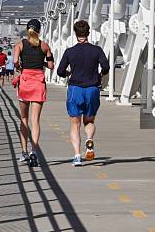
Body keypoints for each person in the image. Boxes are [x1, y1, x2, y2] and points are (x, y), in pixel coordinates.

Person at [56, 20, 109, 166]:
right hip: (92, 89)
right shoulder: (97, 50)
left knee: (75, 123)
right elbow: (106, 66)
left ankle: (77, 155)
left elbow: (60, 71)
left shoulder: (70, 52)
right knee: (89, 120)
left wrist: (68, 73)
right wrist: (100, 74)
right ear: (88, 32)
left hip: (75, 89)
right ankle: (89, 139)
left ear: (75, 33)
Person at [13, 19, 54, 167]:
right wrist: (43, 61)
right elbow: (50, 65)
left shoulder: (20, 44)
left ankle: (23, 152)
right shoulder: (44, 46)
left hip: (25, 82)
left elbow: (16, 60)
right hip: (38, 83)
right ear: (39, 30)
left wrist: (20, 66)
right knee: (35, 120)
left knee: (23, 118)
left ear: (27, 29)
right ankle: (34, 151)